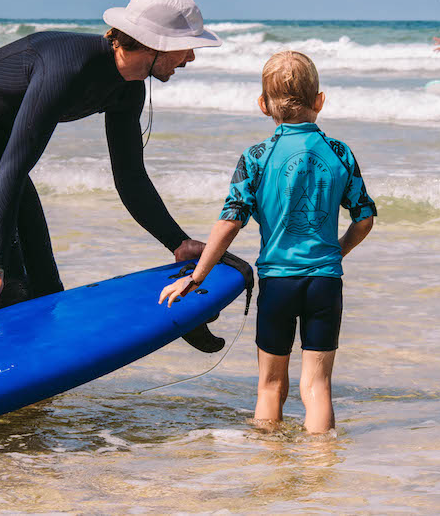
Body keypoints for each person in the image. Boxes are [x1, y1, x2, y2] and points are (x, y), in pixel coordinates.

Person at [0, 0, 221, 324]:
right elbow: (15, 163)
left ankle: (44, 369)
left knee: (48, 290)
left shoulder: (129, 88)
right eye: (186, 48)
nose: (191, 58)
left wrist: (177, 242)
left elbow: (129, 177)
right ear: (156, 44)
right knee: (10, 289)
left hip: (5, 161)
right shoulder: (66, 68)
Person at [158, 51, 376, 433]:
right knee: (318, 386)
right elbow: (364, 218)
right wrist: (334, 253)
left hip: (277, 283)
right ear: (319, 101)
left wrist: (196, 276)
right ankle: (321, 469)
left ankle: (268, 470)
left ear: (263, 105)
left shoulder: (256, 157)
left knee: (270, 386)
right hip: (325, 282)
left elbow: (231, 221)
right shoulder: (339, 153)